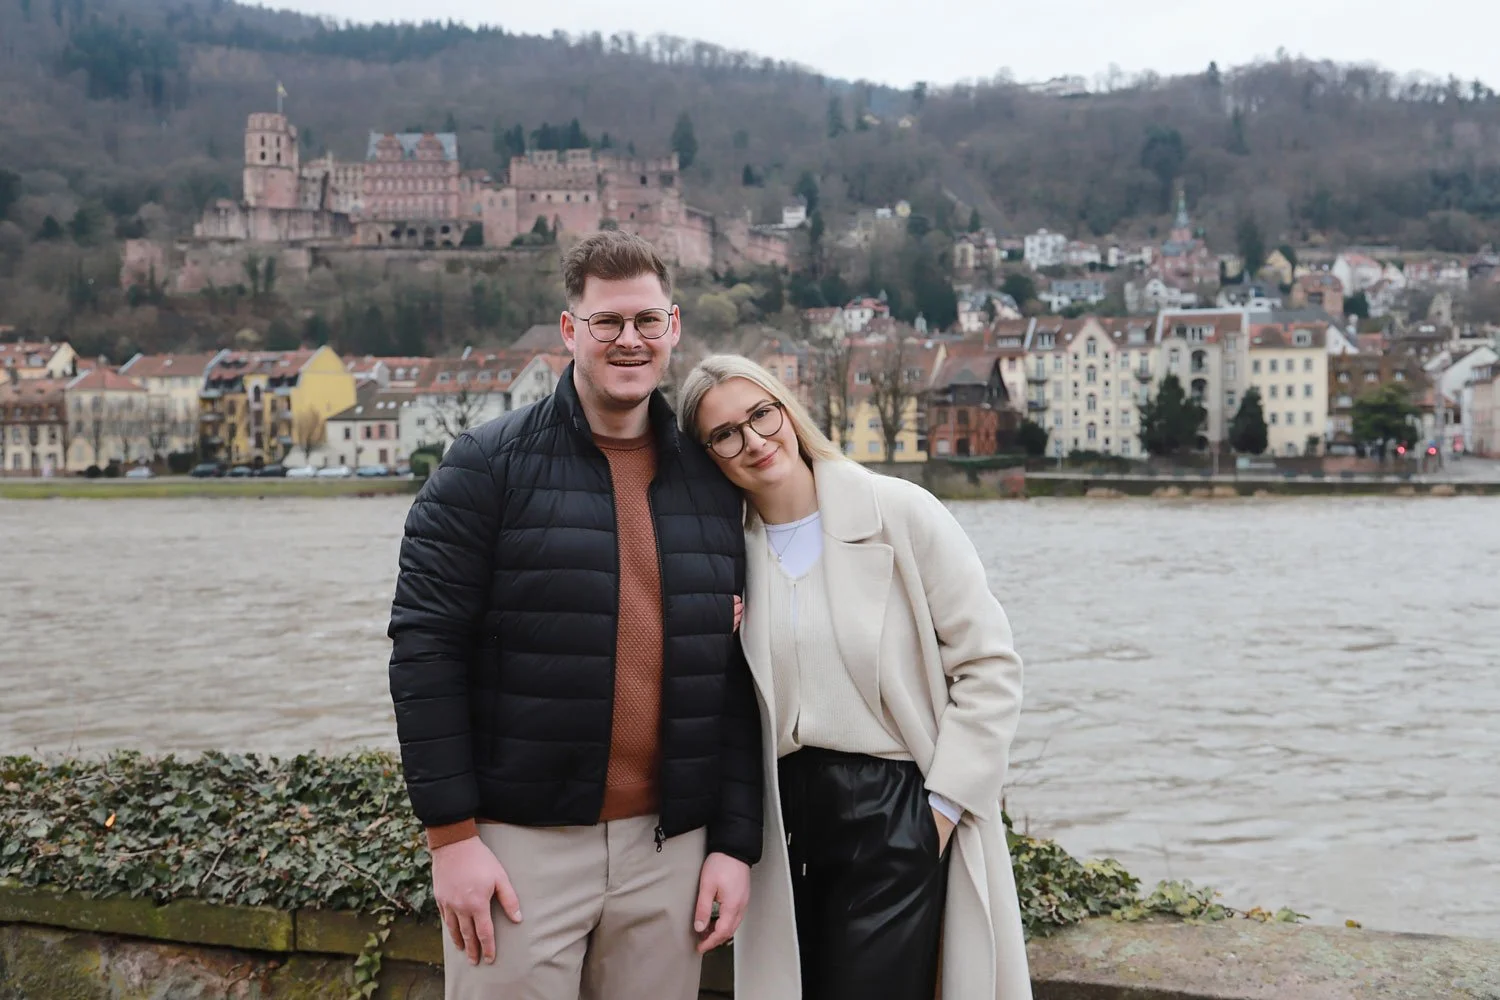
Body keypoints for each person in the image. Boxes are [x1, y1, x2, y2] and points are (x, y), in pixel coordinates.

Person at [387, 232, 762, 1000]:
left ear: (674, 327)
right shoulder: (484, 468)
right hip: (521, 849)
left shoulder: (713, 481)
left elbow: (736, 678)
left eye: (647, 322)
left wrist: (732, 843)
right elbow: (425, 652)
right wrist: (452, 840)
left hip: (669, 849)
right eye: (608, 323)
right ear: (571, 331)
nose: (630, 341)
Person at [677, 354, 1031, 1000]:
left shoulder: (899, 512)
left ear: (788, 410)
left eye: (762, 414)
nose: (754, 440)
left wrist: (940, 814)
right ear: (708, 455)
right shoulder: (726, 555)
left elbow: (989, 665)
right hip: (781, 823)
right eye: (726, 433)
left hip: (893, 809)